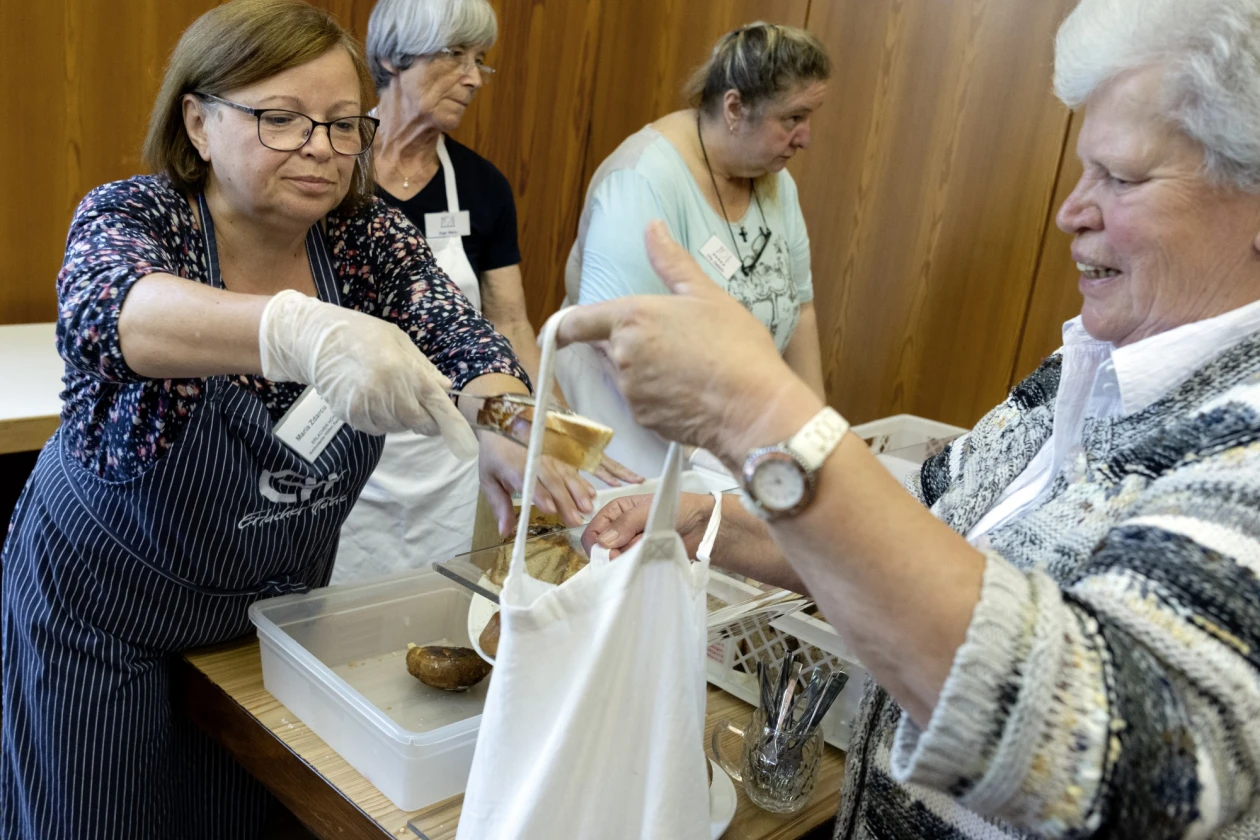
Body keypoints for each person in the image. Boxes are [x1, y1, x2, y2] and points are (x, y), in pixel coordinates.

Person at [574, 0, 1260, 836]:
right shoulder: (1081, 369)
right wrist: (706, 518)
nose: (1071, 211)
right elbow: (917, 522)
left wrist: (758, 413)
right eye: (1084, 172)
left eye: (1120, 177)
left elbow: (1122, 764)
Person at [0, 1, 578, 836]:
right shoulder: (136, 217)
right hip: (99, 610)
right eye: (281, 119)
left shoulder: (366, 239)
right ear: (198, 121)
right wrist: (296, 328)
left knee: (236, 813)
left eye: (346, 126)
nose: (320, 147)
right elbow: (113, 312)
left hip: (258, 621)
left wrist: (512, 427)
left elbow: (464, 343)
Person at [335, 0, 638, 584]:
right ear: (395, 57)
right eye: (455, 56)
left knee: (437, 613)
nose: (474, 78)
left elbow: (510, 323)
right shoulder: (330, 171)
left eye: (481, 61)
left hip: (449, 451)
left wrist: (549, 422)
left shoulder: (482, 187)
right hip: (347, 443)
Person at [555, 22, 830, 478]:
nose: (806, 137)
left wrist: (817, 444)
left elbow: (800, 311)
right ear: (735, 108)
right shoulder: (640, 179)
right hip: (627, 452)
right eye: (793, 118)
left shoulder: (777, 183)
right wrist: (736, 453)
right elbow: (624, 350)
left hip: (730, 444)